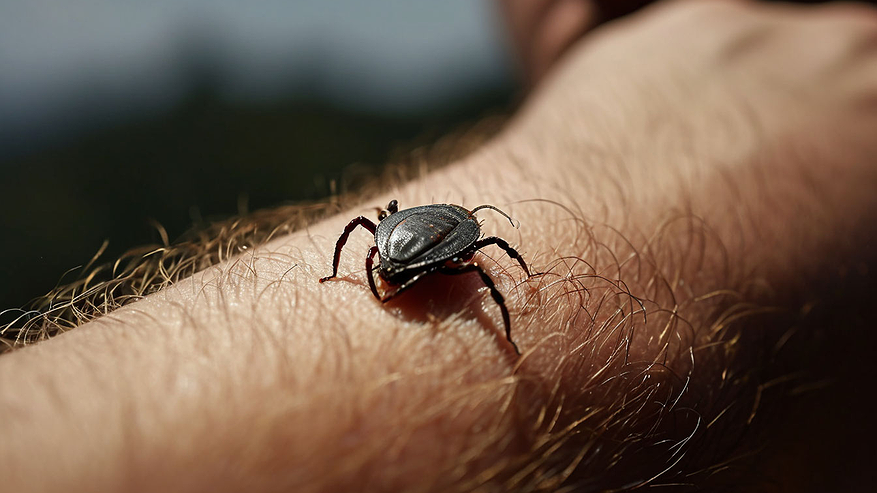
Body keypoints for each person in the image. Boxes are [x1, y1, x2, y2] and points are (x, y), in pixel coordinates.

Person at [1, 0, 875, 490]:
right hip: (426, 236)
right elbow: (479, 252)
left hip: (410, 237)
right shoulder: (460, 243)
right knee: (481, 247)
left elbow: (439, 247)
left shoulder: (406, 236)